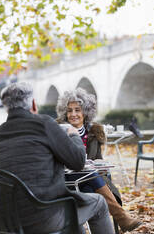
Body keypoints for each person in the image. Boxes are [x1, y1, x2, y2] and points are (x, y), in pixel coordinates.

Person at [0, 82, 115, 234]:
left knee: (72, 207)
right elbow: (78, 162)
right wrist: (73, 135)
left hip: (1, 222)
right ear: (33, 104)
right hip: (43, 218)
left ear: (6, 107)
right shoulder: (44, 124)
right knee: (99, 203)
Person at [56, 87, 142, 233]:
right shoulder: (59, 129)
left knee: (91, 182)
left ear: (86, 111)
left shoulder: (94, 132)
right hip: (66, 178)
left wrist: (100, 165)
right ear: (65, 112)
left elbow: (97, 159)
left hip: (88, 181)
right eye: (69, 110)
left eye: (77, 110)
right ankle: (122, 218)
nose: (73, 114)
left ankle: (115, 221)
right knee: (92, 175)